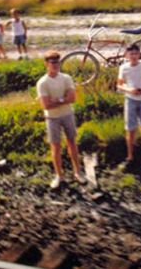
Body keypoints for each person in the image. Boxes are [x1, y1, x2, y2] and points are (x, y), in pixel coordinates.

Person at [36, 50, 86, 189]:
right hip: (52, 118)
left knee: (72, 143)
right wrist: (64, 100)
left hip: (67, 115)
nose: (56, 65)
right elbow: (46, 105)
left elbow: (73, 98)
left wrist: (58, 100)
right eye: (53, 62)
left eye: (58, 61)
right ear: (46, 64)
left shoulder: (66, 78)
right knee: (55, 147)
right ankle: (59, 175)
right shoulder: (42, 83)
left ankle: (77, 172)